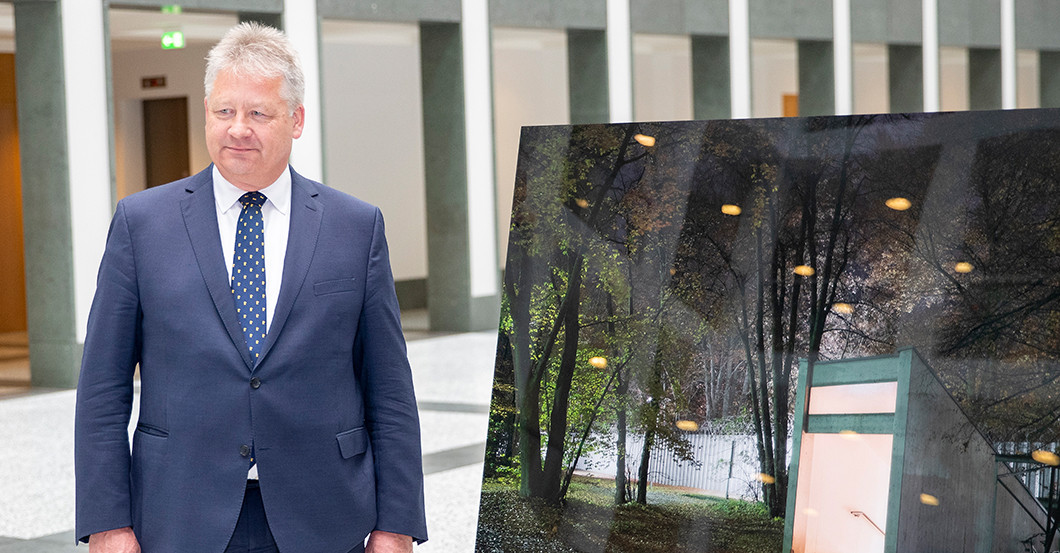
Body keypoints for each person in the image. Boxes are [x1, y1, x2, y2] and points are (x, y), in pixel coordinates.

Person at [74, 22, 426, 553]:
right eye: (224, 111)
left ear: (296, 120)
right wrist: (107, 523)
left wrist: (397, 524)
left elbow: (390, 390)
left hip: (326, 516)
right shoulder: (141, 224)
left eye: (258, 113)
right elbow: (103, 389)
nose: (238, 128)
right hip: (180, 512)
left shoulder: (355, 227)